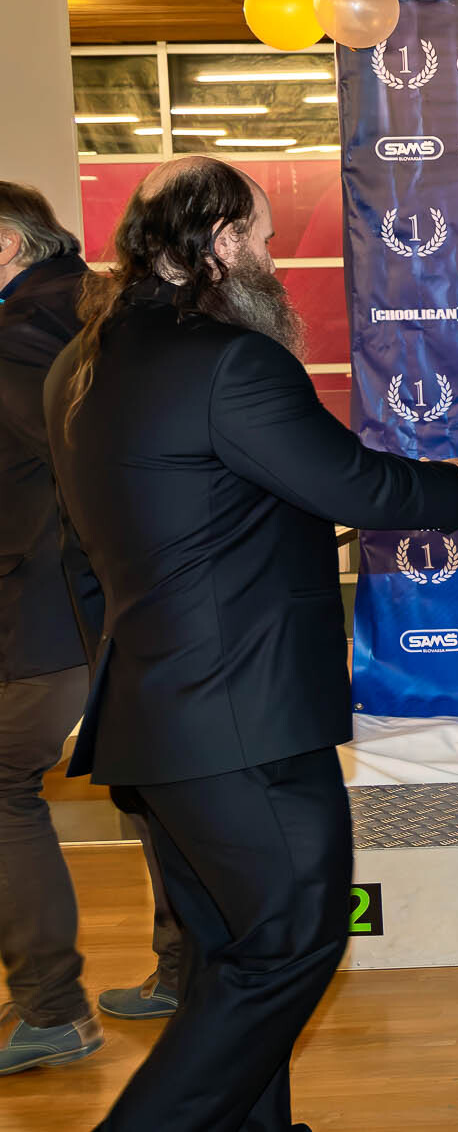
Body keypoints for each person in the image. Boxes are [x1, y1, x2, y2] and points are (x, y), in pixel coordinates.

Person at [43, 157, 458, 1132]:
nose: (270, 257)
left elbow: (98, 550)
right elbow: (353, 484)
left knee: (230, 953)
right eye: (257, 236)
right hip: (241, 717)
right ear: (217, 244)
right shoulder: (230, 361)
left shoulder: (78, 365)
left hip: (153, 721)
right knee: (292, 939)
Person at [0, 181, 185, 1080]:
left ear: (4, 245)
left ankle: (50, 1009)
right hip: (132, 599)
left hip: (54, 608)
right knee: (152, 785)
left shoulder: (19, 331)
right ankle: (185, 972)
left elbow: (79, 458)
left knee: (2, 790)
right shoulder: (102, 302)